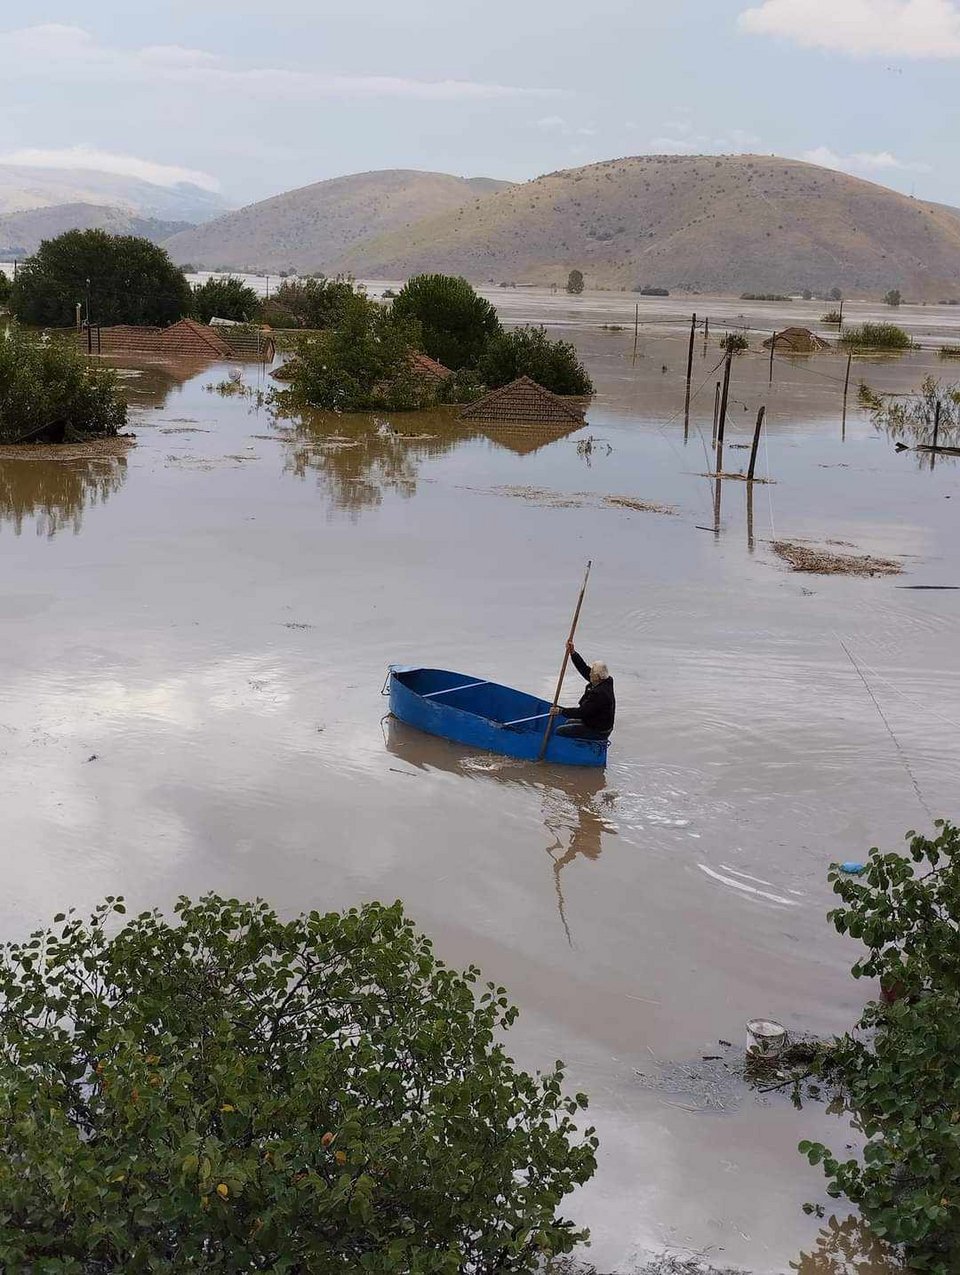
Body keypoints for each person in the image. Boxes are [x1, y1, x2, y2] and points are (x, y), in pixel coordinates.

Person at [554, 640, 615, 740]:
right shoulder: (605, 680)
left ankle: (573, 751)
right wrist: (573, 653)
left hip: (599, 730)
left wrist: (560, 711)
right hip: (596, 722)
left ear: (597, 676)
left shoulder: (599, 694)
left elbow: (581, 712)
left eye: (592, 673)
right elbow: (584, 669)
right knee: (568, 722)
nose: (589, 674)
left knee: (560, 730)